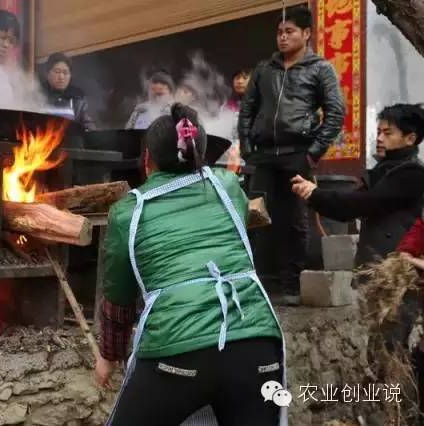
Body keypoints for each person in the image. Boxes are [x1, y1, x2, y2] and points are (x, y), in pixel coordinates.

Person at [96, 103, 285, 425]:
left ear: (146, 160)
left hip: (177, 353)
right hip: (257, 345)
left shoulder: (129, 212)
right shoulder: (227, 188)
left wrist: (109, 356)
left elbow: (118, 296)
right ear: (201, 153)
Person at [238, 6, 345, 300]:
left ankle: (291, 286)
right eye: (279, 32)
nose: (283, 38)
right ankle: (255, 285)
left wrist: (312, 153)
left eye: (290, 32)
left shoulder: (320, 68)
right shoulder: (264, 69)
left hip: (297, 153)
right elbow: (247, 110)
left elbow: (335, 113)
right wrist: (247, 149)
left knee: (294, 221)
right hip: (263, 156)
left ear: (306, 33)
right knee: (255, 218)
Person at [292, 103, 424, 267]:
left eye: (387, 133)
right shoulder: (382, 170)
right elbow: (347, 208)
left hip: (397, 268)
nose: (380, 138)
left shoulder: (412, 173)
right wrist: (313, 194)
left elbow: (365, 202)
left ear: (410, 138)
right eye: (378, 132)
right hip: (376, 263)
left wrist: (316, 194)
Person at [41, 52, 95, 130]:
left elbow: (88, 126)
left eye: (65, 73)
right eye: (57, 72)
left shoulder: (78, 99)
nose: (61, 77)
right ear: (47, 74)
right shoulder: (37, 95)